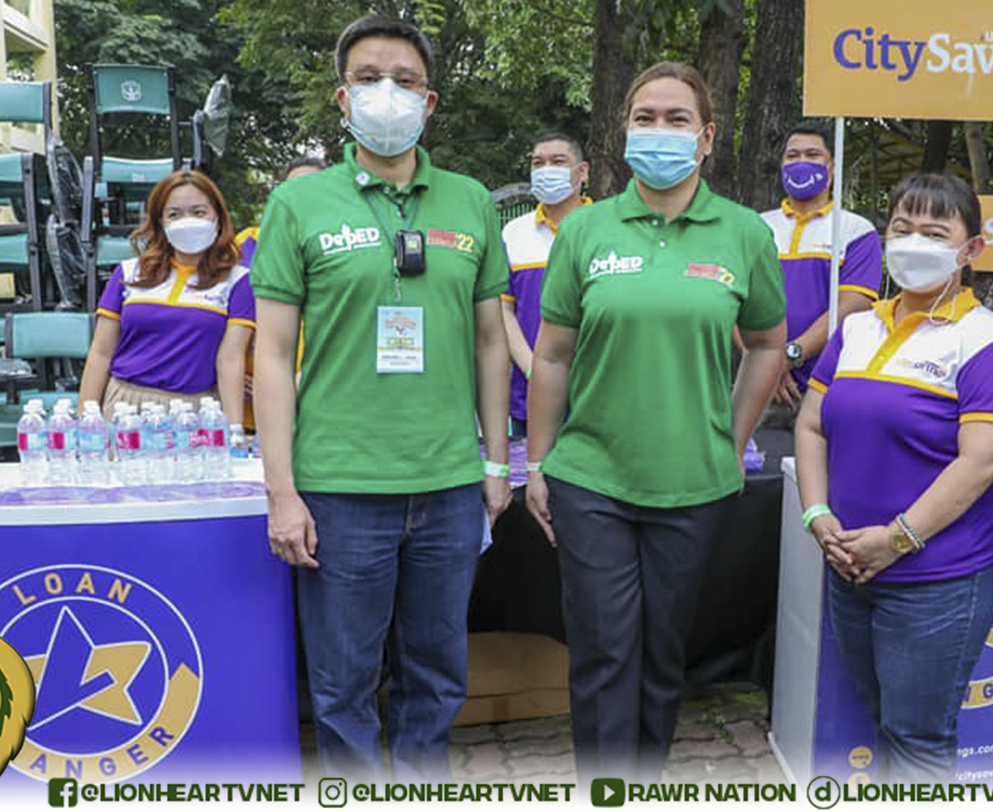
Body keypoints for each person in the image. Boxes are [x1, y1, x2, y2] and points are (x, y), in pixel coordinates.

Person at [250, 15, 512, 783]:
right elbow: (272, 354)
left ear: (430, 102)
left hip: (448, 484)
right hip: (338, 487)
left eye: (404, 79)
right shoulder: (298, 206)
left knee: (438, 676)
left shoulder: (470, 202)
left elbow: (491, 341)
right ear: (342, 97)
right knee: (343, 686)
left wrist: (496, 463)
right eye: (368, 78)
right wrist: (281, 491)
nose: (385, 93)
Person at [524, 62, 786, 782]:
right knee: (605, 651)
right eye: (645, 117)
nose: (659, 131)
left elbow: (767, 344)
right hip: (591, 479)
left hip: (693, 483)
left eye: (677, 119)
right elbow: (552, 355)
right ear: (624, 130)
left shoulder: (743, 234)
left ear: (707, 138)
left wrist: (731, 440)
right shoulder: (585, 230)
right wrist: (540, 463)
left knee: (663, 653)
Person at [794, 172, 993, 782]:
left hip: (938, 577)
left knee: (918, 739)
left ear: (971, 250)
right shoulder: (857, 327)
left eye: (934, 232)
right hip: (851, 564)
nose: (913, 243)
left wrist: (896, 539)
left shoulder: (987, 341)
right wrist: (817, 515)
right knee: (881, 719)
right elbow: (813, 424)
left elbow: (981, 462)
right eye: (902, 228)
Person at [80, 170, 253, 423]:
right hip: (124, 407)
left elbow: (230, 360)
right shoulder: (128, 272)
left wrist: (233, 428)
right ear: (160, 222)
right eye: (174, 214)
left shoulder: (238, 281)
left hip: (197, 411)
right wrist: (85, 418)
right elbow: (101, 353)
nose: (187, 221)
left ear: (218, 217)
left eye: (199, 212)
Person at [760, 122, 880, 413]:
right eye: (792, 155)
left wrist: (789, 355)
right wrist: (764, 361)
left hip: (830, 385)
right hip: (760, 384)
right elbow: (736, 300)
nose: (801, 162)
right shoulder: (757, 226)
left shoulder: (856, 230)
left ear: (832, 167)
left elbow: (853, 304)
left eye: (812, 155)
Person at [502, 132, 590, 437]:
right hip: (530, 395)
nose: (546, 169)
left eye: (558, 161)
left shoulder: (609, 228)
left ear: (582, 171)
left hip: (597, 392)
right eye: (538, 163)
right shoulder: (514, 233)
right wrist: (535, 370)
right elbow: (504, 311)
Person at [238, 155, 329, 433]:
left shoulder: (345, 246)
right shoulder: (246, 244)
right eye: (293, 188)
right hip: (256, 405)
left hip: (321, 399)